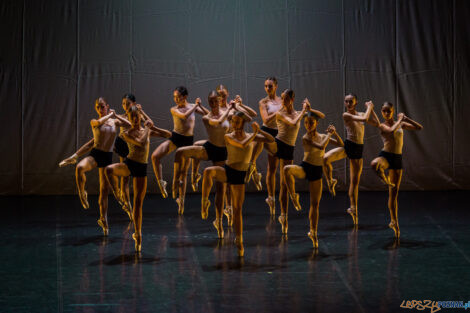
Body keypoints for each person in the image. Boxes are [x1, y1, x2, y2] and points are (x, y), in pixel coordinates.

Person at [200, 112, 274, 256]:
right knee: (208, 171)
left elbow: (271, 139)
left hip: (240, 176)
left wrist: (260, 132)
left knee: (237, 210)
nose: (234, 124)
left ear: (243, 123)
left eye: (237, 122)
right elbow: (241, 145)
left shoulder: (250, 135)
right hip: (228, 170)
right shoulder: (228, 136)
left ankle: (239, 240)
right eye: (233, 121)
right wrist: (255, 134)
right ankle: (204, 203)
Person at [105, 105, 171, 252]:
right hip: (129, 164)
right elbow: (140, 142)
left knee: (138, 204)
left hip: (141, 168)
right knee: (108, 170)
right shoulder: (126, 133)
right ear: (129, 118)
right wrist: (148, 128)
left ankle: (138, 234)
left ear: (140, 117)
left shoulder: (145, 130)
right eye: (132, 117)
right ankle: (117, 193)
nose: (135, 120)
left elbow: (168, 135)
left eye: (137, 117)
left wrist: (154, 126)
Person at [284, 112, 343, 248]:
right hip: (305, 167)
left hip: (316, 171)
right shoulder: (305, 137)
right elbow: (321, 146)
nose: (308, 125)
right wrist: (329, 135)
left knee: (314, 204)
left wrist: (334, 133)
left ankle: (313, 231)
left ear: (316, 123)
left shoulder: (323, 136)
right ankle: (293, 196)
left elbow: (341, 144)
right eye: (306, 123)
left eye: (311, 122)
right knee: (287, 169)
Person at [172, 91, 235, 218]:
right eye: (210, 101)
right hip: (209, 148)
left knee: (221, 188)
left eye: (215, 101)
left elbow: (250, 116)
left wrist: (237, 106)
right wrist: (229, 109)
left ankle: (222, 215)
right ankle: (176, 182)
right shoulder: (207, 117)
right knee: (180, 152)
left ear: (219, 100)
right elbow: (216, 122)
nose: (213, 104)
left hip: (222, 152)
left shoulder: (227, 113)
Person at [74, 97, 131, 235]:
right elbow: (92, 140)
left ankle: (103, 219)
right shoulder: (95, 121)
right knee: (79, 168)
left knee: (104, 192)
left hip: (107, 158)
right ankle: (82, 192)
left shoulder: (114, 121)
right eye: (98, 107)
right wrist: (75, 155)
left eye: (102, 106)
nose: (100, 109)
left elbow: (128, 125)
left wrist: (115, 115)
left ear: (107, 106)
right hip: (96, 154)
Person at [370, 102, 423, 238]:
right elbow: (391, 130)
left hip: (397, 159)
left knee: (393, 195)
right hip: (386, 156)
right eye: (384, 111)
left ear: (393, 111)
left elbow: (419, 127)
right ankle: (384, 179)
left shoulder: (400, 123)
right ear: (382, 112)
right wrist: (400, 119)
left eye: (389, 111)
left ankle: (394, 222)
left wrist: (405, 118)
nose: (386, 114)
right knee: (374, 164)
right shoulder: (382, 125)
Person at [272, 90, 320, 233]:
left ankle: (287, 209)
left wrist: (310, 110)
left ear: (292, 99)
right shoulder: (280, 113)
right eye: (282, 99)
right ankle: (284, 215)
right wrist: (303, 112)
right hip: (279, 144)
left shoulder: (298, 112)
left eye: (286, 99)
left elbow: (320, 116)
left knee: (285, 183)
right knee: (282, 183)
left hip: (289, 147)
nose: (283, 101)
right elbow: (293, 123)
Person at [323, 94, 375, 225]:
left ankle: (353, 208)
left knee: (354, 182)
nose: (348, 103)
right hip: (349, 145)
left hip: (358, 148)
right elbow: (364, 119)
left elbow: (377, 123)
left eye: (351, 101)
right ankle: (331, 180)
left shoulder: (363, 113)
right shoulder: (346, 115)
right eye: (346, 101)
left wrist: (372, 110)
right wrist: (369, 107)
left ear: (356, 102)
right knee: (325, 159)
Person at [151, 86, 209, 199]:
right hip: (175, 138)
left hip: (187, 141)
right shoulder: (174, 109)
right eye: (174, 97)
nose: (176, 99)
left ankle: (181, 199)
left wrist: (200, 105)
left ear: (185, 96)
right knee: (155, 156)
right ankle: (160, 182)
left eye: (178, 97)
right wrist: (196, 106)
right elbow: (184, 116)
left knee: (183, 173)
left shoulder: (193, 106)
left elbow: (208, 114)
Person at [246, 77, 282, 192]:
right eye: (266, 86)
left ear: (276, 86)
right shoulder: (263, 102)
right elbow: (266, 120)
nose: (267, 88)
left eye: (270, 86)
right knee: (256, 137)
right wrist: (279, 112)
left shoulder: (282, 100)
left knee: (272, 167)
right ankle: (252, 167)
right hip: (266, 130)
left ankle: (269, 194)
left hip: (278, 133)